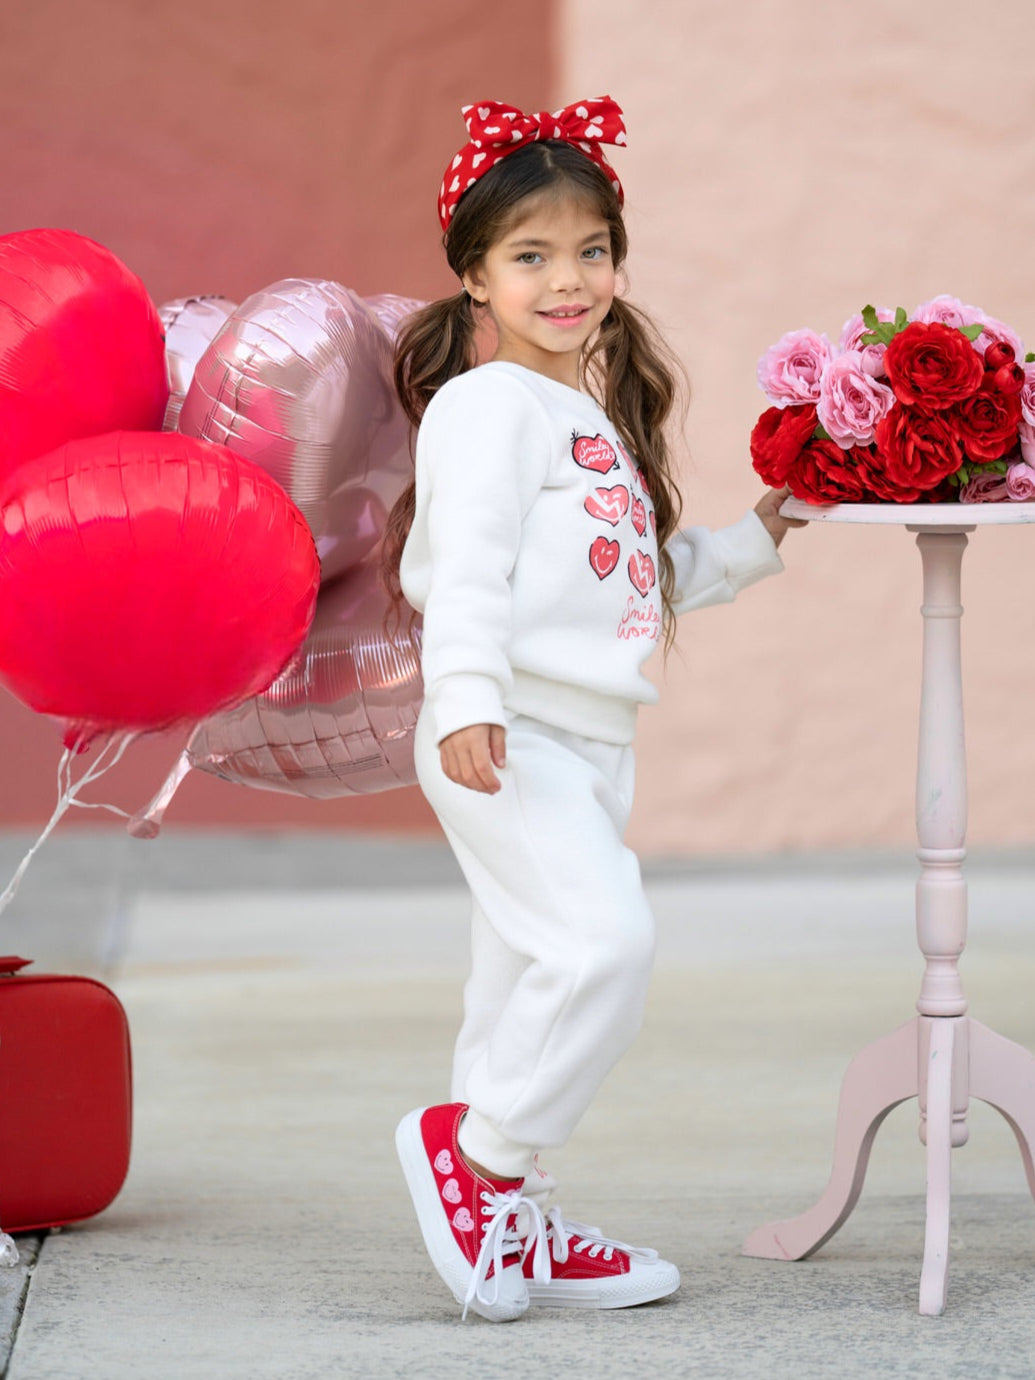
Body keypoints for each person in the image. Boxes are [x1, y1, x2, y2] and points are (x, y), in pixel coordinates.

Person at [380, 96, 802, 1323]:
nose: (567, 280)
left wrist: (762, 534)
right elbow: (466, 571)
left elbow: (632, 577)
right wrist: (465, 699)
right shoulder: (487, 408)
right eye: (531, 256)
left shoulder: (586, 417)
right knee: (604, 947)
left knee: (520, 976)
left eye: (591, 250)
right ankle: (478, 1155)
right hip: (510, 731)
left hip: (591, 741)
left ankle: (511, 1223)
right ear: (474, 276)